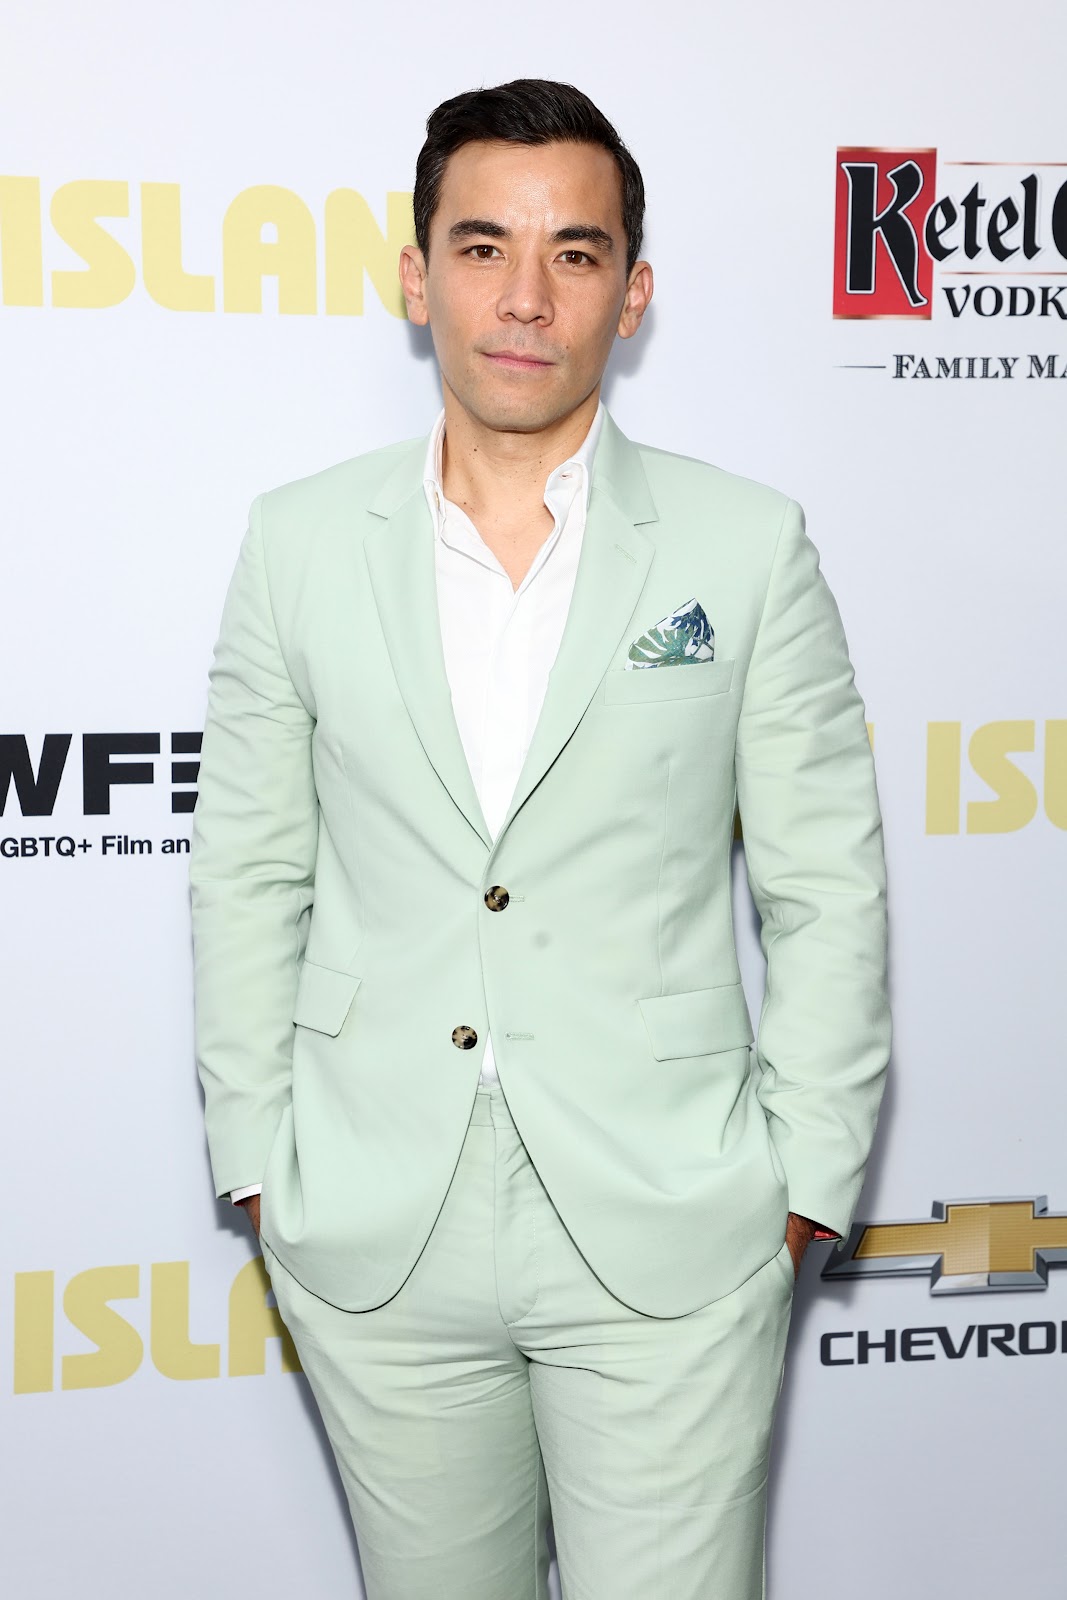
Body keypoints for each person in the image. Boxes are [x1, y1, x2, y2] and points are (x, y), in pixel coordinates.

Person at [190, 77, 890, 1600]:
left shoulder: (744, 545)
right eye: (483, 244)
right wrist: (259, 1157)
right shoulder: (295, 544)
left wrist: (803, 1177)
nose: (524, 297)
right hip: (377, 1222)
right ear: (413, 272)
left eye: (575, 254)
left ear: (632, 295)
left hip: (672, 1225)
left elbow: (826, 882)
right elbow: (248, 865)